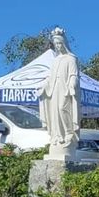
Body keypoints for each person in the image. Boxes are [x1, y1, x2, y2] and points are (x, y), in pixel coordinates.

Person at [38, 27, 81, 159]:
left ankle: (68, 134)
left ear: (64, 43)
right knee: (54, 112)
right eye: (56, 44)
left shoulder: (71, 59)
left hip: (66, 89)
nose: (58, 46)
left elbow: (74, 74)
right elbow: (50, 77)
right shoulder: (55, 60)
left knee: (63, 109)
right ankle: (57, 137)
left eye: (60, 43)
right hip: (55, 89)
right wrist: (44, 85)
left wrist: (72, 83)